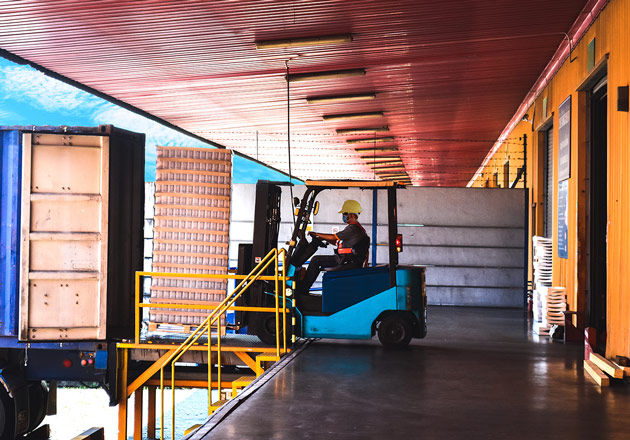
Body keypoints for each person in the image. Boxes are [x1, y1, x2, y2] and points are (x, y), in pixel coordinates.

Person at [297, 199, 369, 297]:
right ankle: (304, 288)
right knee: (317, 260)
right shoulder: (355, 228)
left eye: (345, 214)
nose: (343, 216)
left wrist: (317, 234)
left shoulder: (353, 228)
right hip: (347, 259)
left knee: (315, 260)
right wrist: (320, 238)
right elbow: (336, 242)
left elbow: (334, 237)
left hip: (345, 260)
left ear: (352, 215)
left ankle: (302, 290)